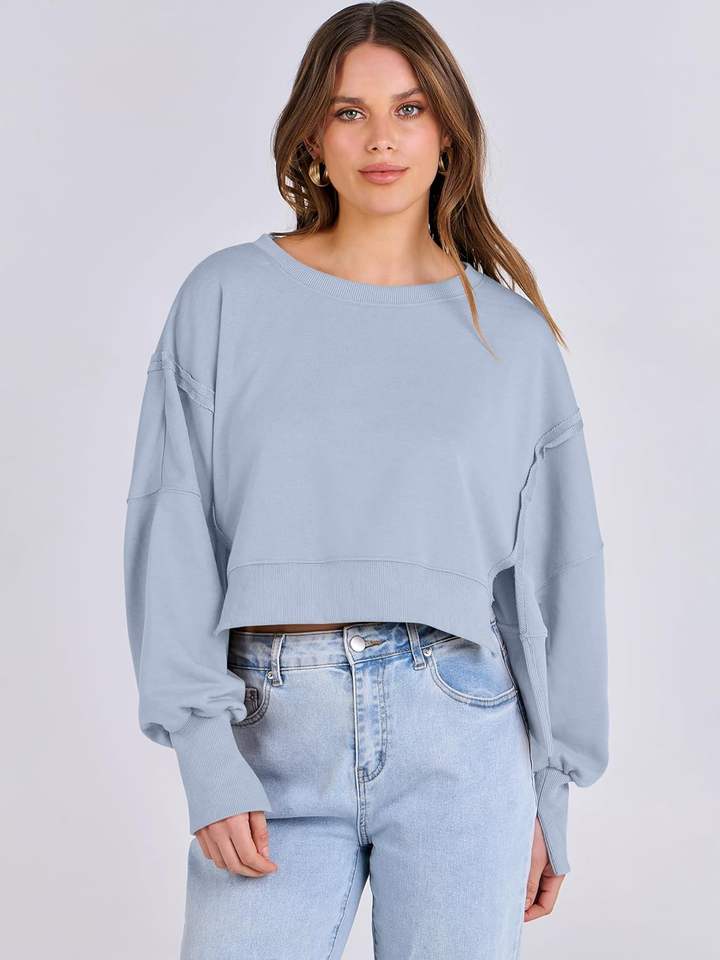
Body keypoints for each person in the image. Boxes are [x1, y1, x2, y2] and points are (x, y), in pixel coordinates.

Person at [122, 3, 609, 957]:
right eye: (350, 111)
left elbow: (558, 579)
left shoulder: (512, 341)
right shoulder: (225, 298)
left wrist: (552, 789)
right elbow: (171, 524)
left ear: (448, 131)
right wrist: (202, 751)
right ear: (312, 132)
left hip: (464, 736)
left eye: (409, 109)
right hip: (268, 733)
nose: (381, 138)